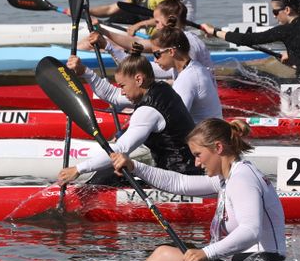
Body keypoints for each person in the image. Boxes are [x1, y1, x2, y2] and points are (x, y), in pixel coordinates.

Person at [109, 118, 287, 261]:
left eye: (198, 154)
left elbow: (251, 231)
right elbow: (180, 183)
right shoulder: (229, 177)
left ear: (218, 148)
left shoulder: (242, 179)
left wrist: (206, 253)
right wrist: (134, 166)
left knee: (164, 254)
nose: (196, 163)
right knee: (177, 248)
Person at [55, 54, 200, 186]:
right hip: (187, 169)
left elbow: (120, 149)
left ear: (138, 79)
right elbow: (112, 94)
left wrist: (78, 169)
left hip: (179, 178)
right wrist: (84, 72)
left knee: (104, 178)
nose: (122, 91)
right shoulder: (160, 88)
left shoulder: (147, 112)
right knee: (113, 170)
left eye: (123, 86)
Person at [198, 0, 300, 94]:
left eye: (275, 12)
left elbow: (246, 39)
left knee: (242, 73)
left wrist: (214, 31)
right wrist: (294, 57)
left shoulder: (286, 30)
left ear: (287, 10)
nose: (274, 17)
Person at [86, 0, 214, 78]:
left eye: (157, 22)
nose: (157, 27)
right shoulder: (173, 42)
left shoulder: (189, 43)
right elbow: (136, 43)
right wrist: (103, 31)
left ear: (170, 19)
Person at [148, 27, 223, 123]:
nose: (155, 60)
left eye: (157, 54)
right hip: (211, 129)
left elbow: (173, 120)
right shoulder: (195, 67)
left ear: (171, 51)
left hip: (205, 135)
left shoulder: (187, 79)